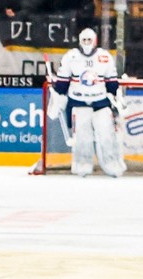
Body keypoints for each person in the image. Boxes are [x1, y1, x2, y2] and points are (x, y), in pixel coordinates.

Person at [51, 28, 126, 177]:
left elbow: (111, 81)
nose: (86, 43)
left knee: (106, 135)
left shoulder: (104, 57)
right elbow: (63, 81)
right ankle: (82, 166)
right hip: (79, 101)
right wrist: (59, 93)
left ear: (95, 41)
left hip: (100, 101)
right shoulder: (71, 56)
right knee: (82, 138)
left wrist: (115, 96)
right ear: (79, 41)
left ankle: (113, 166)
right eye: (84, 40)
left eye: (89, 40)